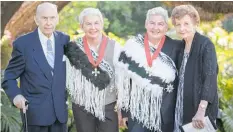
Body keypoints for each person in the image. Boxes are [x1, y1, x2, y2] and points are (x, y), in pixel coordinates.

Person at [2, 2, 70, 132]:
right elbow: (9, 77)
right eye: (44, 18)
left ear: (57, 18)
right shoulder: (23, 44)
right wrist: (16, 96)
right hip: (35, 115)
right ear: (36, 19)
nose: (48, 22)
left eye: (52, 18)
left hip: (60, 116)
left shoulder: (64, 40)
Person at [115, 7, 181, 132]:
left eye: (160, 24)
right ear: (146, 24)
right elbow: (124, 81)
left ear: (166, 27)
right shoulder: (132, 46)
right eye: (152, 23)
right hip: (137, 113)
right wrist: (123, 111)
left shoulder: (177, 48)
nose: (155, 28)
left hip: (166, 113)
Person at [64, 8, 121, 132]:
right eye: (88, 24)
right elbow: (68, 78)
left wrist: (122, 108)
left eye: (96, 23)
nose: (93, 27)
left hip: (109, 105)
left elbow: (122, 80)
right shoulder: (73, 48)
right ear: (81, 26)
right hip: (82, 107)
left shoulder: (115, 47)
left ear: (101, 24)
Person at [171, 5, 219, 132]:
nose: (182, 28)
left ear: (195, 23)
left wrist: (201, 110)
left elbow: (210, 78)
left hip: (199, 112)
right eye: (178, 24)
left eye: (186, 23)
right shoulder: (181, 47)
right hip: (181, 109)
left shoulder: (205, 45)